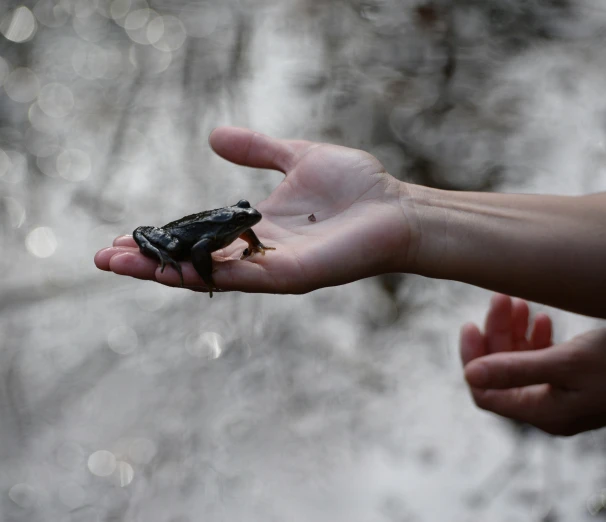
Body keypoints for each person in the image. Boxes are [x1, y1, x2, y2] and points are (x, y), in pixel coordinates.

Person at [95, 126, 606, 436]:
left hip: (199, 232)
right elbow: (201, 247)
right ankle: (159, 250)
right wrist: (411, 215)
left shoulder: (240, 224)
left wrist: (408, 216)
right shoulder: (218, 232)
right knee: (161, 243)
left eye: (247, 218)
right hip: (177, 236)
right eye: (243, 220)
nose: (247, 222)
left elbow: (232, 238)